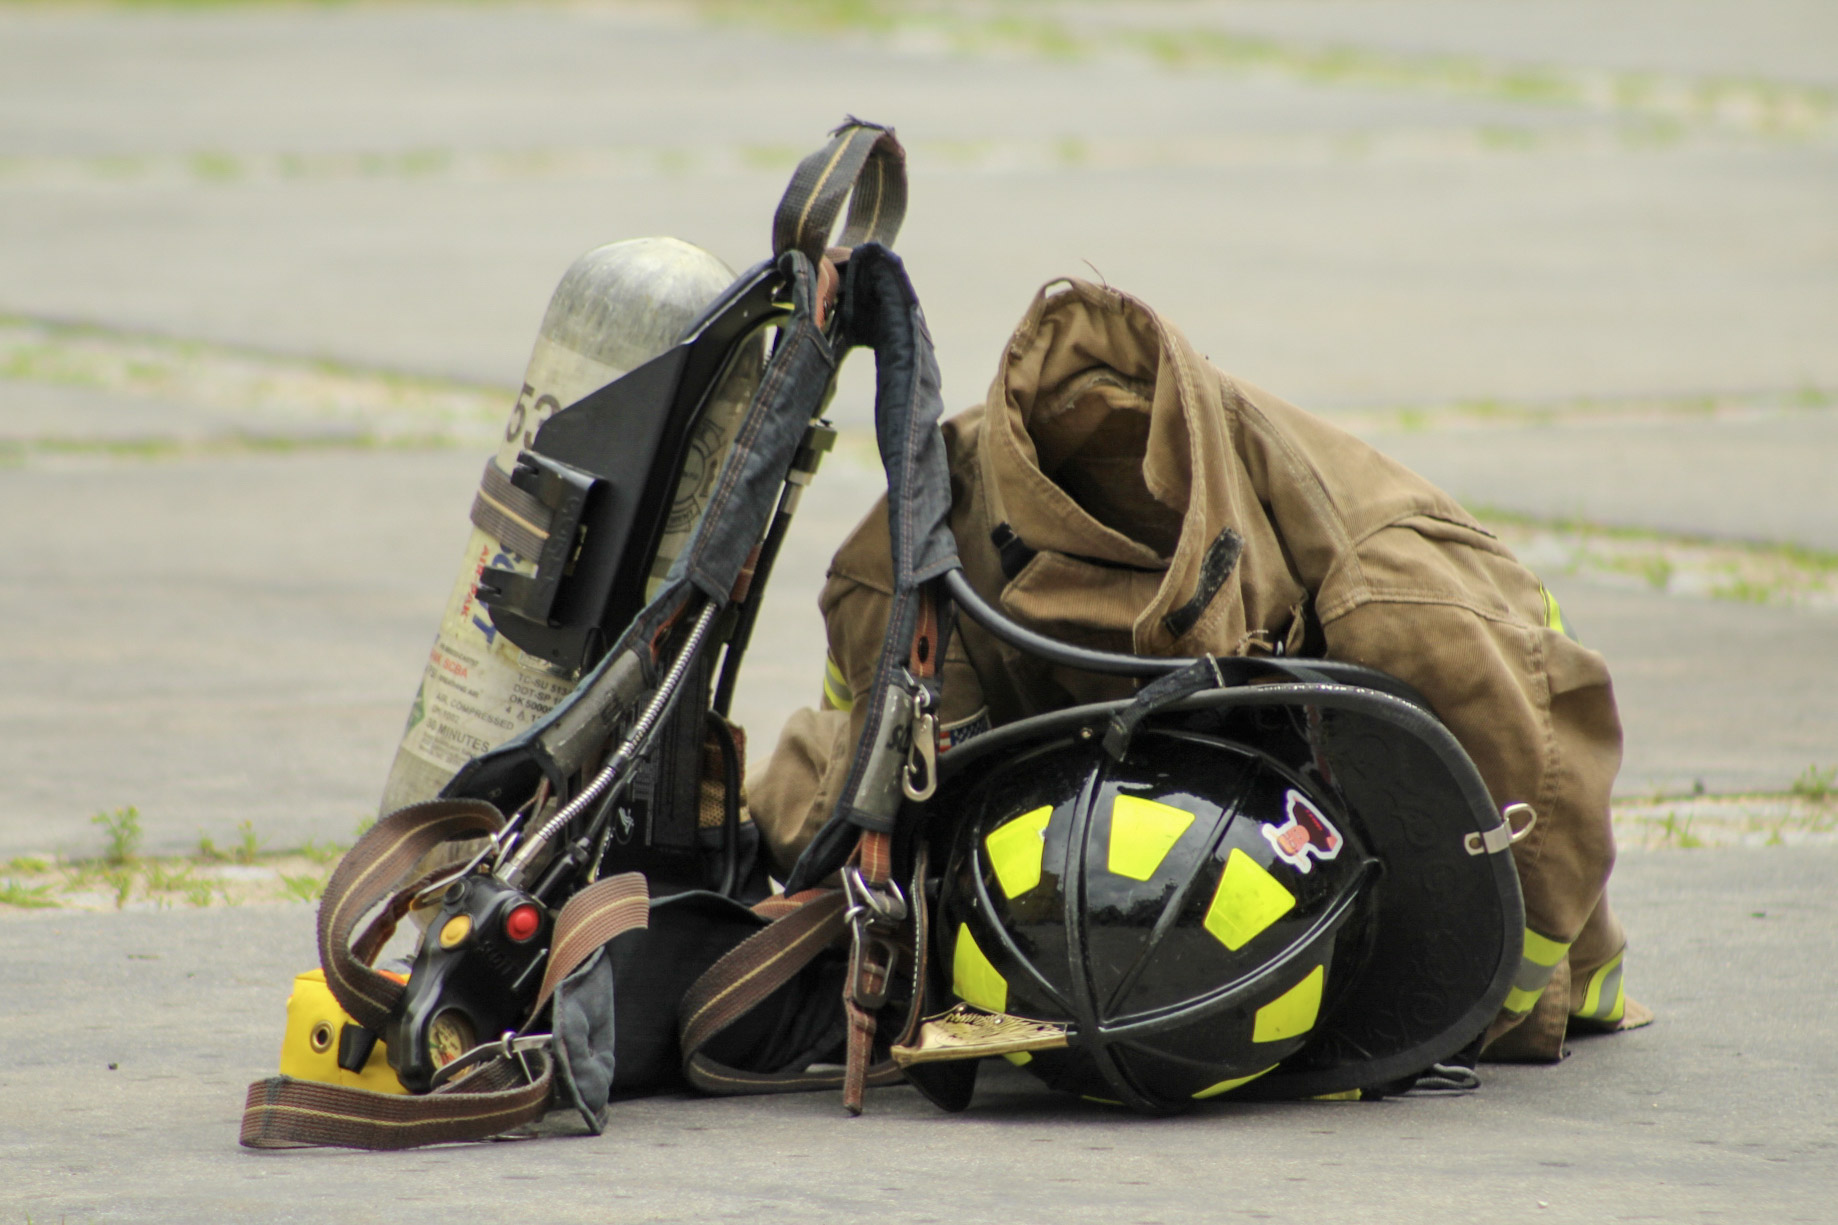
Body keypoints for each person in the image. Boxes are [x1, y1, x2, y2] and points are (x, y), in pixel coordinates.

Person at [749, 275, 1648, 1061]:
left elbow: (1541, 785)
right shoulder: (903, 576)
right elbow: (860, 811)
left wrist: (1479, 1013)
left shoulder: (1396, 601)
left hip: (1391, 854)